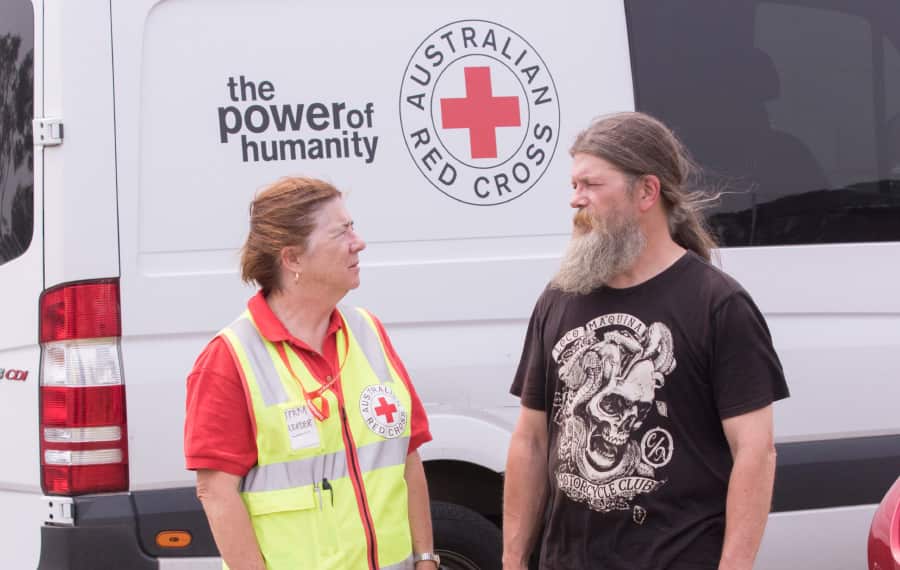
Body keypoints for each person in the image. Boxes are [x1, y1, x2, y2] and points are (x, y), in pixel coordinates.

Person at [502, 112, 789, 570]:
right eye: (574, 185)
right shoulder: (559, 298)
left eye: (591, 185)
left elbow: (755, 452)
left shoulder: (718, 305)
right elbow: (530, 442)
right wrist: (513, 558)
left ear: (646, 192)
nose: (576, 200)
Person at [184, 177, 440, 570]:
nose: (360, 242)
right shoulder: (229, 359)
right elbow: (217, 493)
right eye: (342, 232)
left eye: (352, 227)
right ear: (293, 259)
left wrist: (425, 558)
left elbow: (407, 454)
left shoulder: (368, 332)